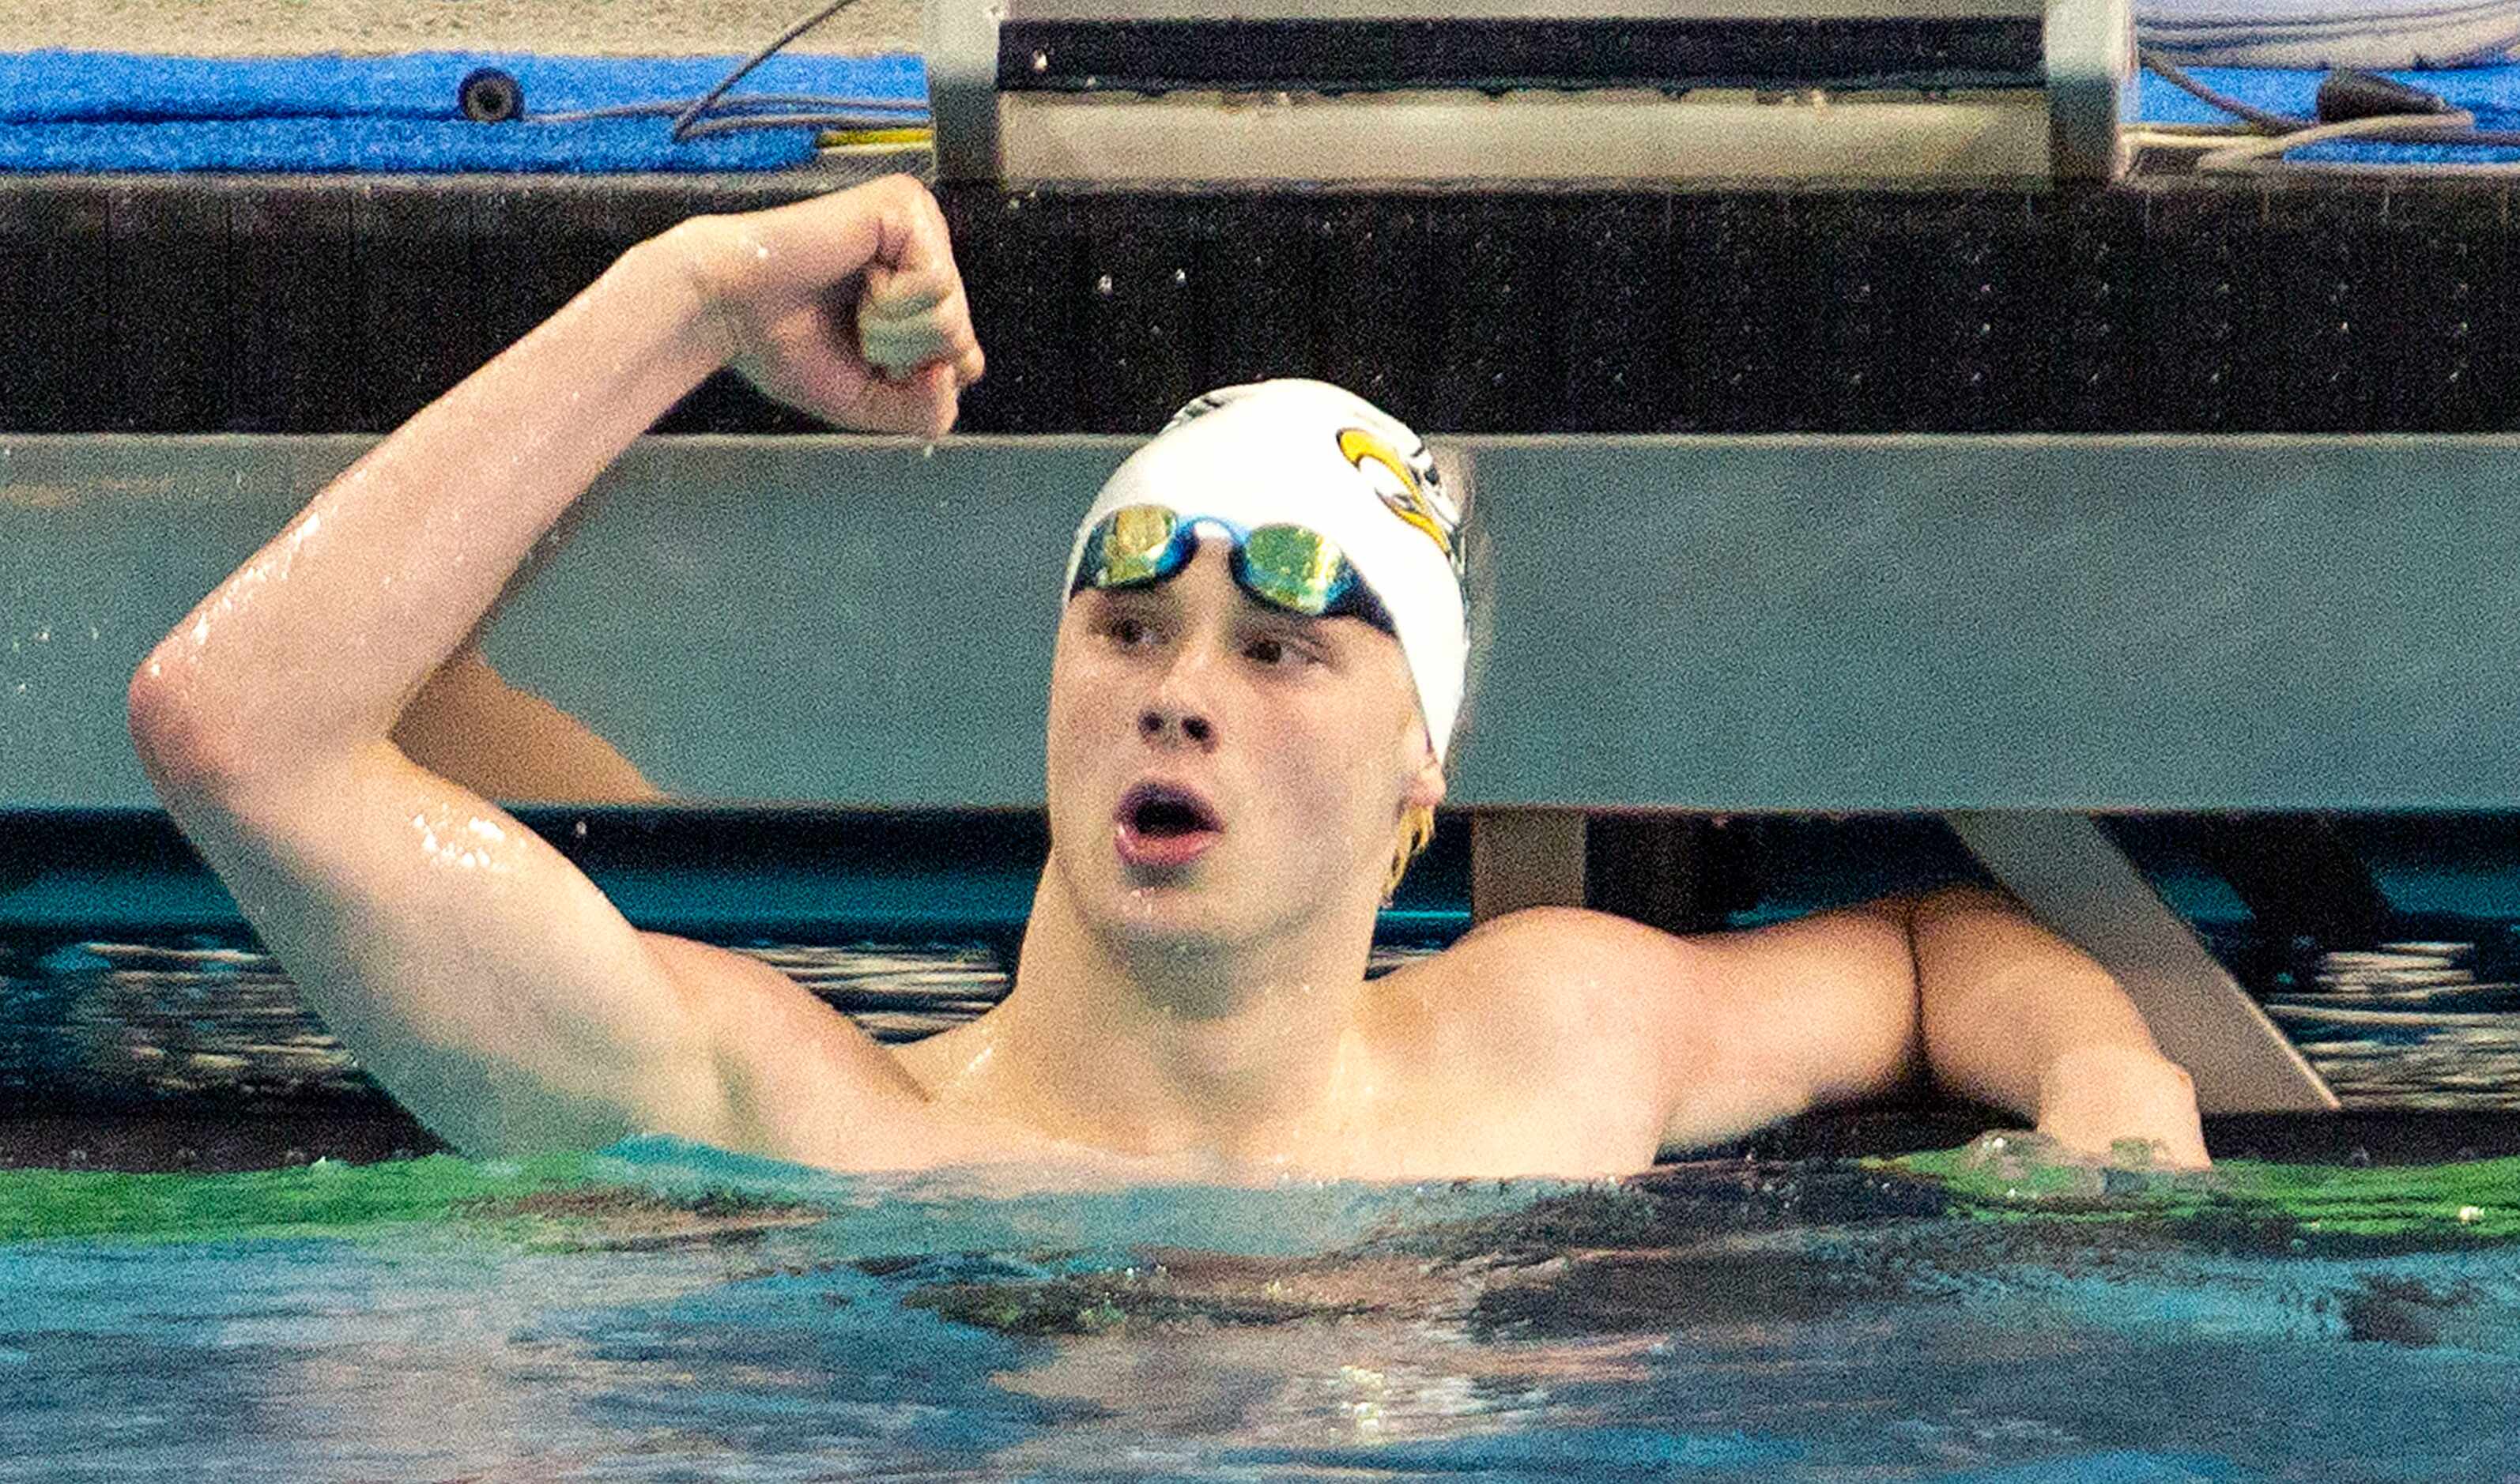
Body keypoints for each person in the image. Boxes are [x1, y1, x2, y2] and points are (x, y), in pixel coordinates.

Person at [128, 175, 2211, 1181]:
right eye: (1127, 627)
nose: (1177, 690)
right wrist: (677, 295)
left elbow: (1937, 955)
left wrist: (2100, 1067)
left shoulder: (1552, 1044)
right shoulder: (794, 1120)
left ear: (1422, 784)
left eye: (1280, 648)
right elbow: (243, 734)